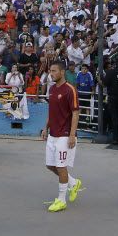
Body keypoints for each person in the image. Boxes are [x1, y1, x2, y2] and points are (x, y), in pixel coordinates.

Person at [41, 60, 82, 212]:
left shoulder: (70, 89)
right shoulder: (51, 89)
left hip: (65, 135)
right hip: (53, 133)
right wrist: (45, 128)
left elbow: (76, 113)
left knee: (61, 166)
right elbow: (51, 112)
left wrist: (72, 135)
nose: (51, 74)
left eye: (54, 71)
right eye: (50, 71)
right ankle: (73, 183)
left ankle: (61, 200)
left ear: (62, 72)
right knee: (50, 165)